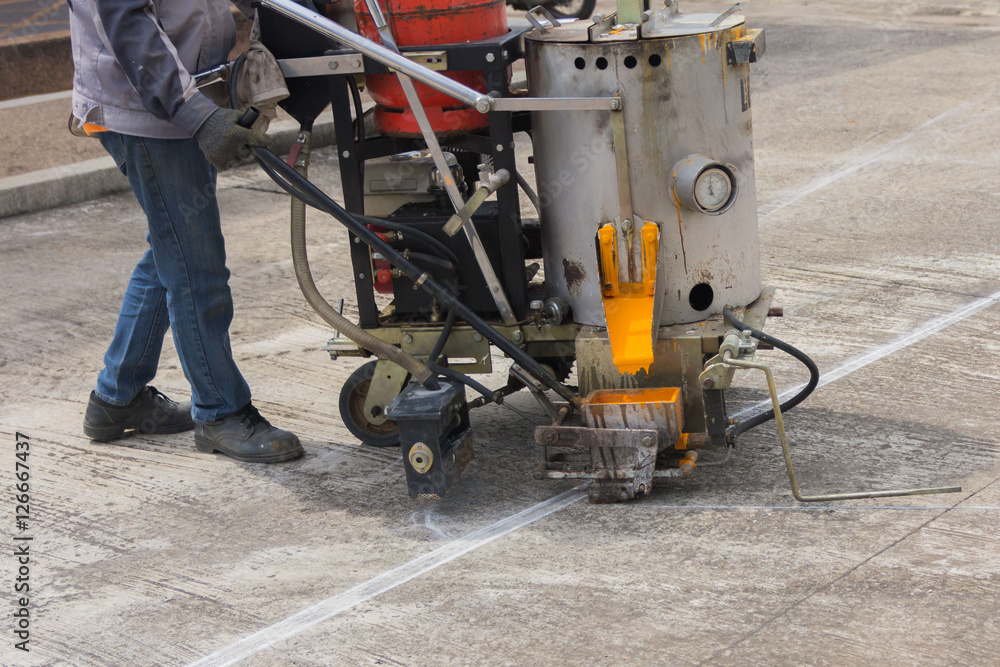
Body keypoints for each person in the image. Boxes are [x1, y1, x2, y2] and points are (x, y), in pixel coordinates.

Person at [71, 0, 304, 463]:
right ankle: (221, 412)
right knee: (196, 267)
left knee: (172, 247)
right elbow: (130, 25)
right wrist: (196, 113)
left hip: (181, 101)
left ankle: (117, 397)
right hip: (150, 112)